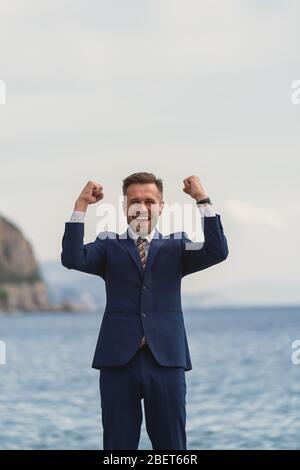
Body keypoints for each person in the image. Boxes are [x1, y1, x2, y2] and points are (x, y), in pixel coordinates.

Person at [61, 172, 229, 450]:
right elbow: (72, 257)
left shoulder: (178, 245)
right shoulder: (108, 245)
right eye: (135, 201)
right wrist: (81, 205)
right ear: (125, 207)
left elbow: (217, 251)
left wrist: (202, 199)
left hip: (166, 361)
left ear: (161, 207)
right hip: (117, 362)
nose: (142, 207)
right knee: (117, 448)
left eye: (149, 201)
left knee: (172, 448)